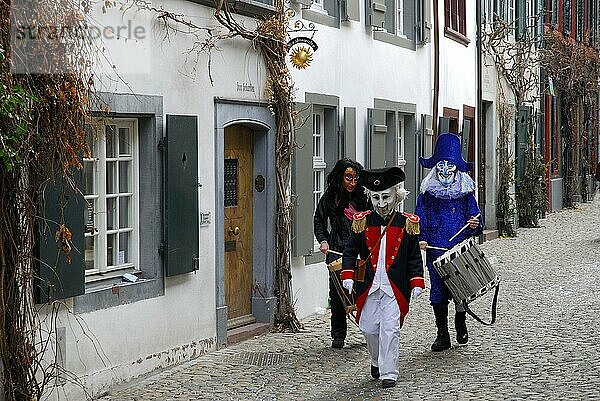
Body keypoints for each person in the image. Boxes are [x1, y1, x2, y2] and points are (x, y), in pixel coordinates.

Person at [340, 166, 424, 388]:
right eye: (376, 197)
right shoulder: (362, 221)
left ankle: (389, 372)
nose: (381, 203)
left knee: (390, 329)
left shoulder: (406, 223)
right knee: (368, 328)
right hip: (369, 286)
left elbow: (414, 256)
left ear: (396, 196)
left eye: (385, 197)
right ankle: (376, 360)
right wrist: (348, 274)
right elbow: (349, 251)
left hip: (395, 287)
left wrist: (416, 280)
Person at [415, 133, 483, 352]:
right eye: (441, 165)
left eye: (449, 165)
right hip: (436, 249)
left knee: (460, 288)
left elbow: (476, 218)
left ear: (457, 168)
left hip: (459, 249)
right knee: (438, 291)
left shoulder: (465, 194)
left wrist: (475, 224)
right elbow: (419, 218)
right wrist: (421, 238)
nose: (445, 170)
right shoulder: (427, 194)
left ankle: (460, 320)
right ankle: (442, 333)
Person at [314, 158, 369, 349]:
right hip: (337, 249)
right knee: (337, 295)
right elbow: (319, 221)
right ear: (340, 177)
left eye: (355, 178)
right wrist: (323, 240)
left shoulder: (364, 198)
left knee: (363, 291)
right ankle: (338, 334)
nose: (352, 183)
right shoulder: (330, 197)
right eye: (348, 178)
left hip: (362, 251)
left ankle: (369, 328)